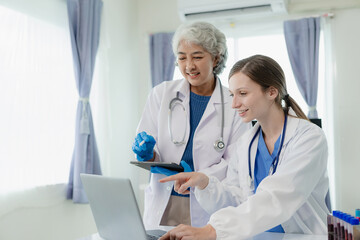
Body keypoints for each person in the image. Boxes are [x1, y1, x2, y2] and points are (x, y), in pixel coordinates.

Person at [159, 55, 329, 240]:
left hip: (302, 235)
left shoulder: (309, 138)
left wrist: (213, 230)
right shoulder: (246, 143)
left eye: (243, 93)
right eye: (232, 95)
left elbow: (279, 196)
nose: (234, 104)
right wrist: (205, 183)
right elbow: (237, 199)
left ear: (272, 92)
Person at [132, 22, 251, 230]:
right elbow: (150, 151)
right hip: (164, 201)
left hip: (207, 204)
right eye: (181, 57)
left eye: (197, 57)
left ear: (216, 58)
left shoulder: (234, 102)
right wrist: (147, 153)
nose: (189, 66)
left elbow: (237, 164)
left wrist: (199, 177)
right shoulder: (161, 94)